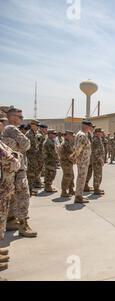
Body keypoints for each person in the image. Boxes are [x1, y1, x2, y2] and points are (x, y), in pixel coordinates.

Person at [3, 107, 37, 238]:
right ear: (12, 117)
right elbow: (27, 144)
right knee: (23, 196)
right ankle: (23, 225)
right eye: (20, 117)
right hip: (18, 169)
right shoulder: (11, 129)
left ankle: (11, 220)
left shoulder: (4, 129)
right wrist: (17, 145)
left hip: (10, 169)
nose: (22, 119)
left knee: (11, 196)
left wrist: (14, 145)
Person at [0, 113, 21, 277]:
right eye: (2, 122)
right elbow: (12, 159)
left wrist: (14, 157)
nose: (3, 125)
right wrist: (14, 158)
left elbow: (14, 155)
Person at [69, 120, 94, 204]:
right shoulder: (82, 135)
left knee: (81, 178)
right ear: (86, 126)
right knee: (81, 178)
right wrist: (74, 157)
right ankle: (78, 197)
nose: (91, 128)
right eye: (90, 126)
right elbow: (78, 148)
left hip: (83, 160)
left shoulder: (82, 134)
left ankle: (79, 195)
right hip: (83, 161)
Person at [25, 120, 41, 195]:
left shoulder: (36, 133)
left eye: (38, 126)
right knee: (30, 174)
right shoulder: (28, 134)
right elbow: (26, 147)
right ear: (32, 125)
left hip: (35, 156)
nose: (38, 127)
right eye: (37, 125)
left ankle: (30, 189)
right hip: (30, 157)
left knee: (34, 173)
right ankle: (29, 191)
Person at [59, 131, 75, 198]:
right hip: (66, 162)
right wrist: (74, 161)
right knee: (67, 176)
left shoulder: (68, 143)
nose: (72, 137)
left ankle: (71, 189)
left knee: (71, 176)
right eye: (71, 135)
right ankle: (64, 191)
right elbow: (69, 155)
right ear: (67, 136)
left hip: (68, 162)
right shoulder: (66, 144)